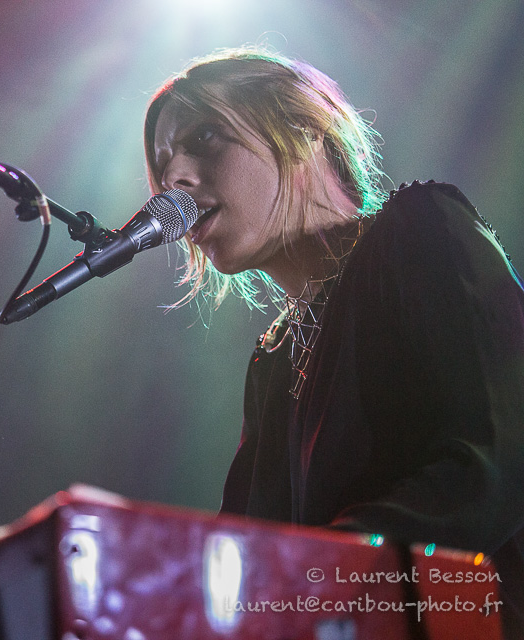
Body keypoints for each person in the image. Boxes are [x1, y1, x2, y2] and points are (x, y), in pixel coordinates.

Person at [144, 47, 524, 638]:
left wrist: (313, 574)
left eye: (205, 138)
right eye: (163, 164)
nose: (173, 180)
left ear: (302, 127)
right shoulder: (274, 361)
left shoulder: (420, 230)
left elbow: (494, 457)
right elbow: (248, 550)